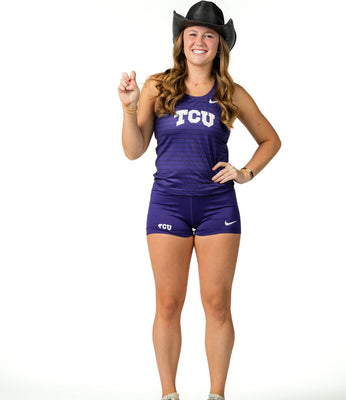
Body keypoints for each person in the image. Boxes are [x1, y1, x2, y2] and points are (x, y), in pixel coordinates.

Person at [118, 2, 281, 400]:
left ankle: (216, 395)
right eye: (192, 33)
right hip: (168, 205)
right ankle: (169, 394)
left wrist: (245, 172)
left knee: (217, 305)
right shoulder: (157, 86)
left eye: (209, 34)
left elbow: (270, 140)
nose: (200, 41)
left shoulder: (230, 92)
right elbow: (134, 150)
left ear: (219, 44)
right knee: (168, 304)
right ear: (182, 41)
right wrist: (130, 107)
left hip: (217, 208)